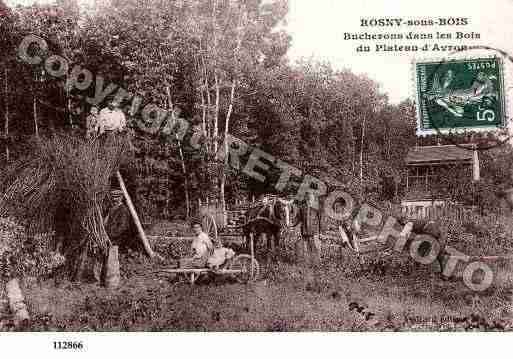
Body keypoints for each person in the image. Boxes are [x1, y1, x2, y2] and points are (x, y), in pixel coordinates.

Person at [297, 191, 323, 290]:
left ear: (313, 199)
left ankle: (317, 265)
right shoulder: (302, 208)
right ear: (306, 199)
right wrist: (291, 225)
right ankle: (308, 267)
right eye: (307, 199)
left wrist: (321, 232)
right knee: (306, 251)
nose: (309, 200)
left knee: (315, 249)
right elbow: (298, 219)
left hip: (314, 232)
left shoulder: (316, 208)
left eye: (310, 199)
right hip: (304, 232)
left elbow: (321, 220)